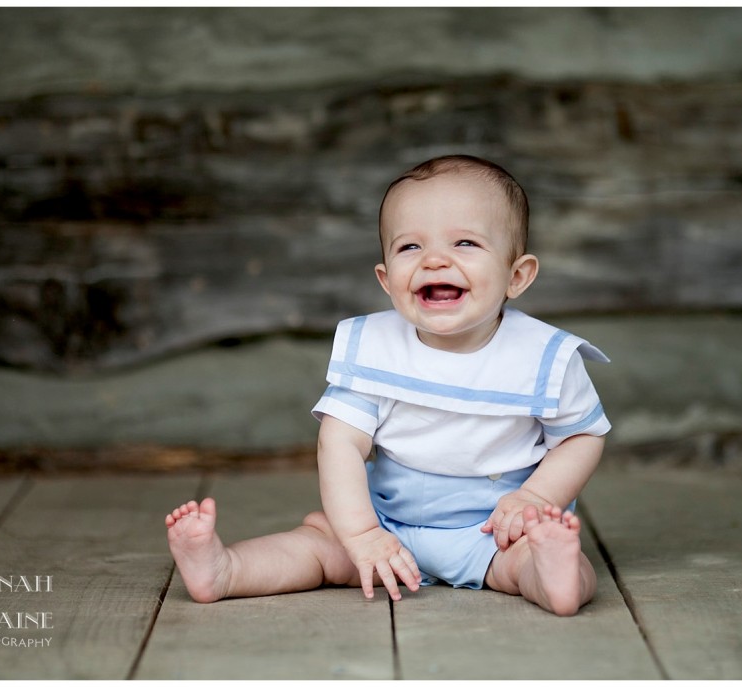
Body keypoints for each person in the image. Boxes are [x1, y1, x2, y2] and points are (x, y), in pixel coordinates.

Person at [165, 155, 610, 616]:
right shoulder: (374, 349)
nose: (435, 259)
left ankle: (555, 575)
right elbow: (339, 443)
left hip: (493, 530)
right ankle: (226, 570)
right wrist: (360, 535)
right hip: (385, 526)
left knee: (529, 562)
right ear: (386, 279)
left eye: (464, 242)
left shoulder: (544, 357)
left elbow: (580, 437)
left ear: (517, 275)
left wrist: (536, 498)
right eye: (409, 247)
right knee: (319, 545)